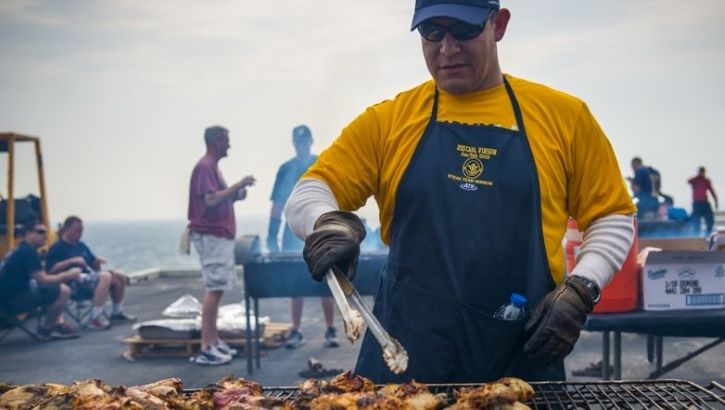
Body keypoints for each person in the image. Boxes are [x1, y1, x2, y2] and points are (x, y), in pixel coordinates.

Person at [285, 0, 636, 383]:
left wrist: (584, 285)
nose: (447, 49)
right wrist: (328, 224)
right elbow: (308, 193)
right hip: (404, 360)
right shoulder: (389, 122)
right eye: (432, 32)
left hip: (519, 359)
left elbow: (613, 216)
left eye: (464, 30)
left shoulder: (564, 118)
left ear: (498, 25)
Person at [187, 125, 256, 365]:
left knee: (218, 288)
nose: (229, 145)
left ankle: (213, 341)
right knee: (214, 289)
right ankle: (206, 345)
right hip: (212, 236)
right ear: (216, 141)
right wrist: (238, 185)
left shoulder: (211, 167)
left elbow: (216, 198)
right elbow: (210, 200)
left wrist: (236, 195)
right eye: (226, 140)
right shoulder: (206, 166)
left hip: (218, 236)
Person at [267, 125, 338, 349]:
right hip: (291, 234)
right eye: (298, 142)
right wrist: (271, 235)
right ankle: (296, 331)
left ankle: (330, 329)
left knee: (327, 280)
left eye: (305, 141)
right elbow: (277, 204)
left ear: (311, 140)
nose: (302, 145)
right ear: (294, 143)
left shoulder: (321, 164)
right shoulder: (286, 169)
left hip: (318, 229)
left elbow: (335, 195)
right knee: (294, 284)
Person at [45, 216, 136, 330]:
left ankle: (117, 312)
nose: (80, 233)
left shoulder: (81, 245)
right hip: (73, 283)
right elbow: (50, 270)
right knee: (105, 276)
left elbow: (92, 266)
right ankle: (95, 318)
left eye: (82, 230)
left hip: (89, 279)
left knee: (119, 275)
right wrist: (70, 261)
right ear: (67, 229)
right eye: (77, 230)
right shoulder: (57, 248)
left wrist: (97, 262)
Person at [0, 220, 80, 340]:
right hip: (12, 301)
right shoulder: (29, 252)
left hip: (7, 298)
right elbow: (42, 279)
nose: (45, 235)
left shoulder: (19, 249)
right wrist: (68, 275)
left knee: (52, 289)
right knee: (64, 290)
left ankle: (58, 324)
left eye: (46, 232)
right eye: (40, 232)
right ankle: (46, 330)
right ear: (28, 233)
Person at [688, 166, 719, 235]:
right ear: (699, 172)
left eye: (703, 172)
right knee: (696, 221)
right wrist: (698, 177)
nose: (702, 173)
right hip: (696, 203)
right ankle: (696, 236)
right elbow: (688, 181)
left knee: (709, 219)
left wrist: (716, 201)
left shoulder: (706, 181)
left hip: (704, 202)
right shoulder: (695, 180)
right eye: (701, 172)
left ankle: (708, 234)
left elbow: (712, 191)